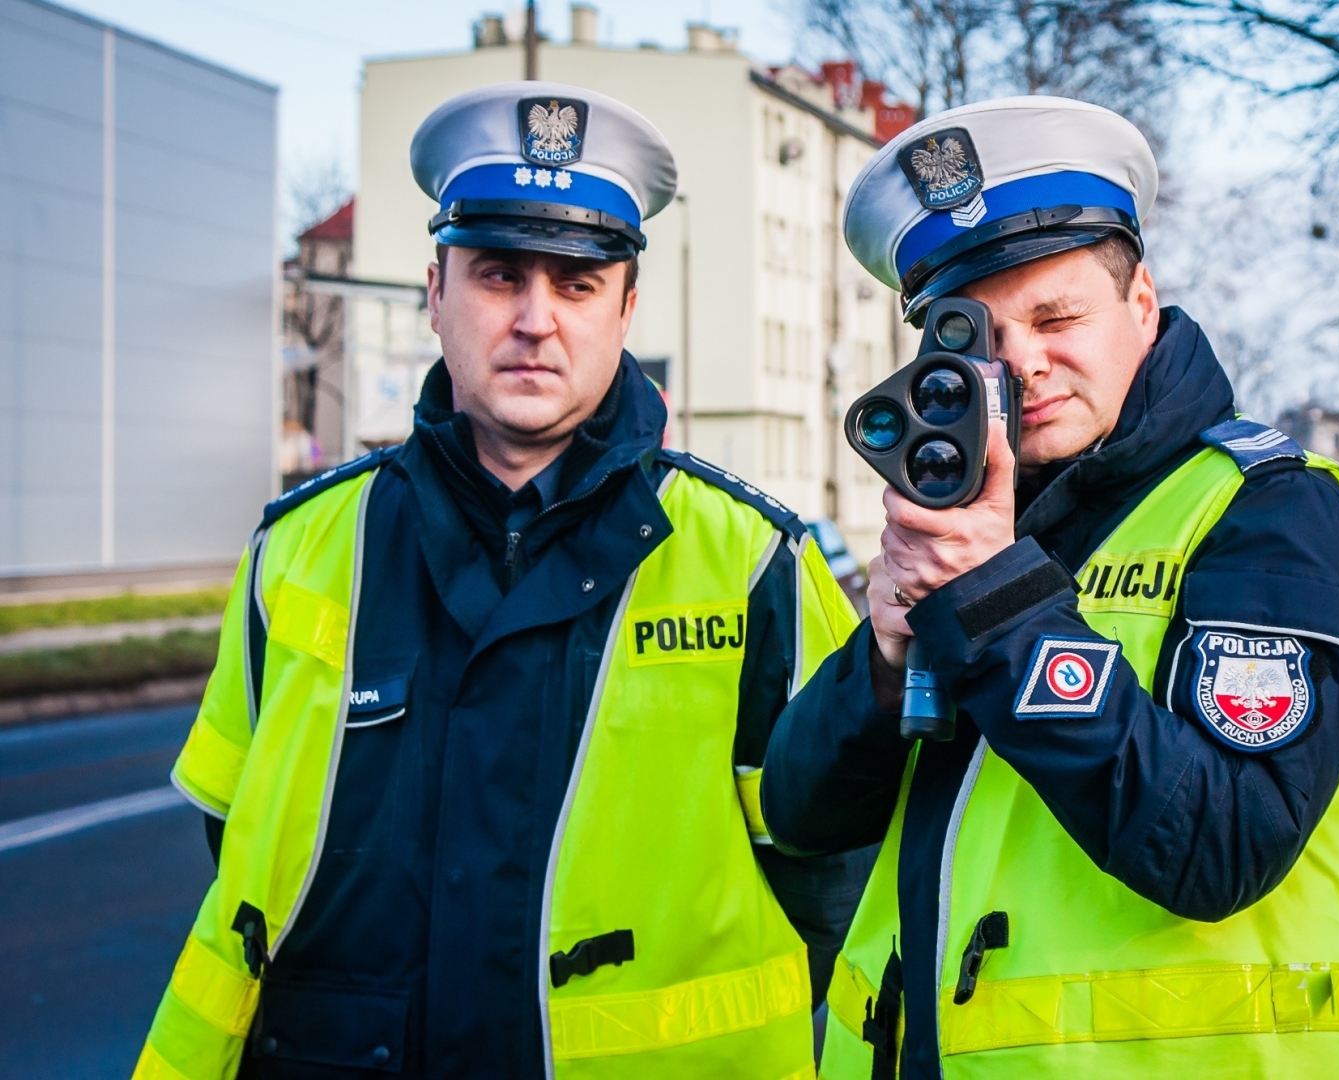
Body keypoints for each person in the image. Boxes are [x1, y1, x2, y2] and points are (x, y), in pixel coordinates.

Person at [136, 83, 870, 1080]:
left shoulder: (755, 564)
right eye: (499, 276)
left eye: (575, 284)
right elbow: (235, 844)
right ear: (436, 294)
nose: (535, 319)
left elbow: (831, 878)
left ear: (626, 308)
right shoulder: (297, 550)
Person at [762, 97, 1339, 1079]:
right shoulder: (974, 524)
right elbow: (803, 815)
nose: (1022, 363)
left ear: (1143, 304)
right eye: (980, 336)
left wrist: (993, 597)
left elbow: (1221, 843)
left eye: (1057, 316)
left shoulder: (1279, 521)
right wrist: (886, 650)